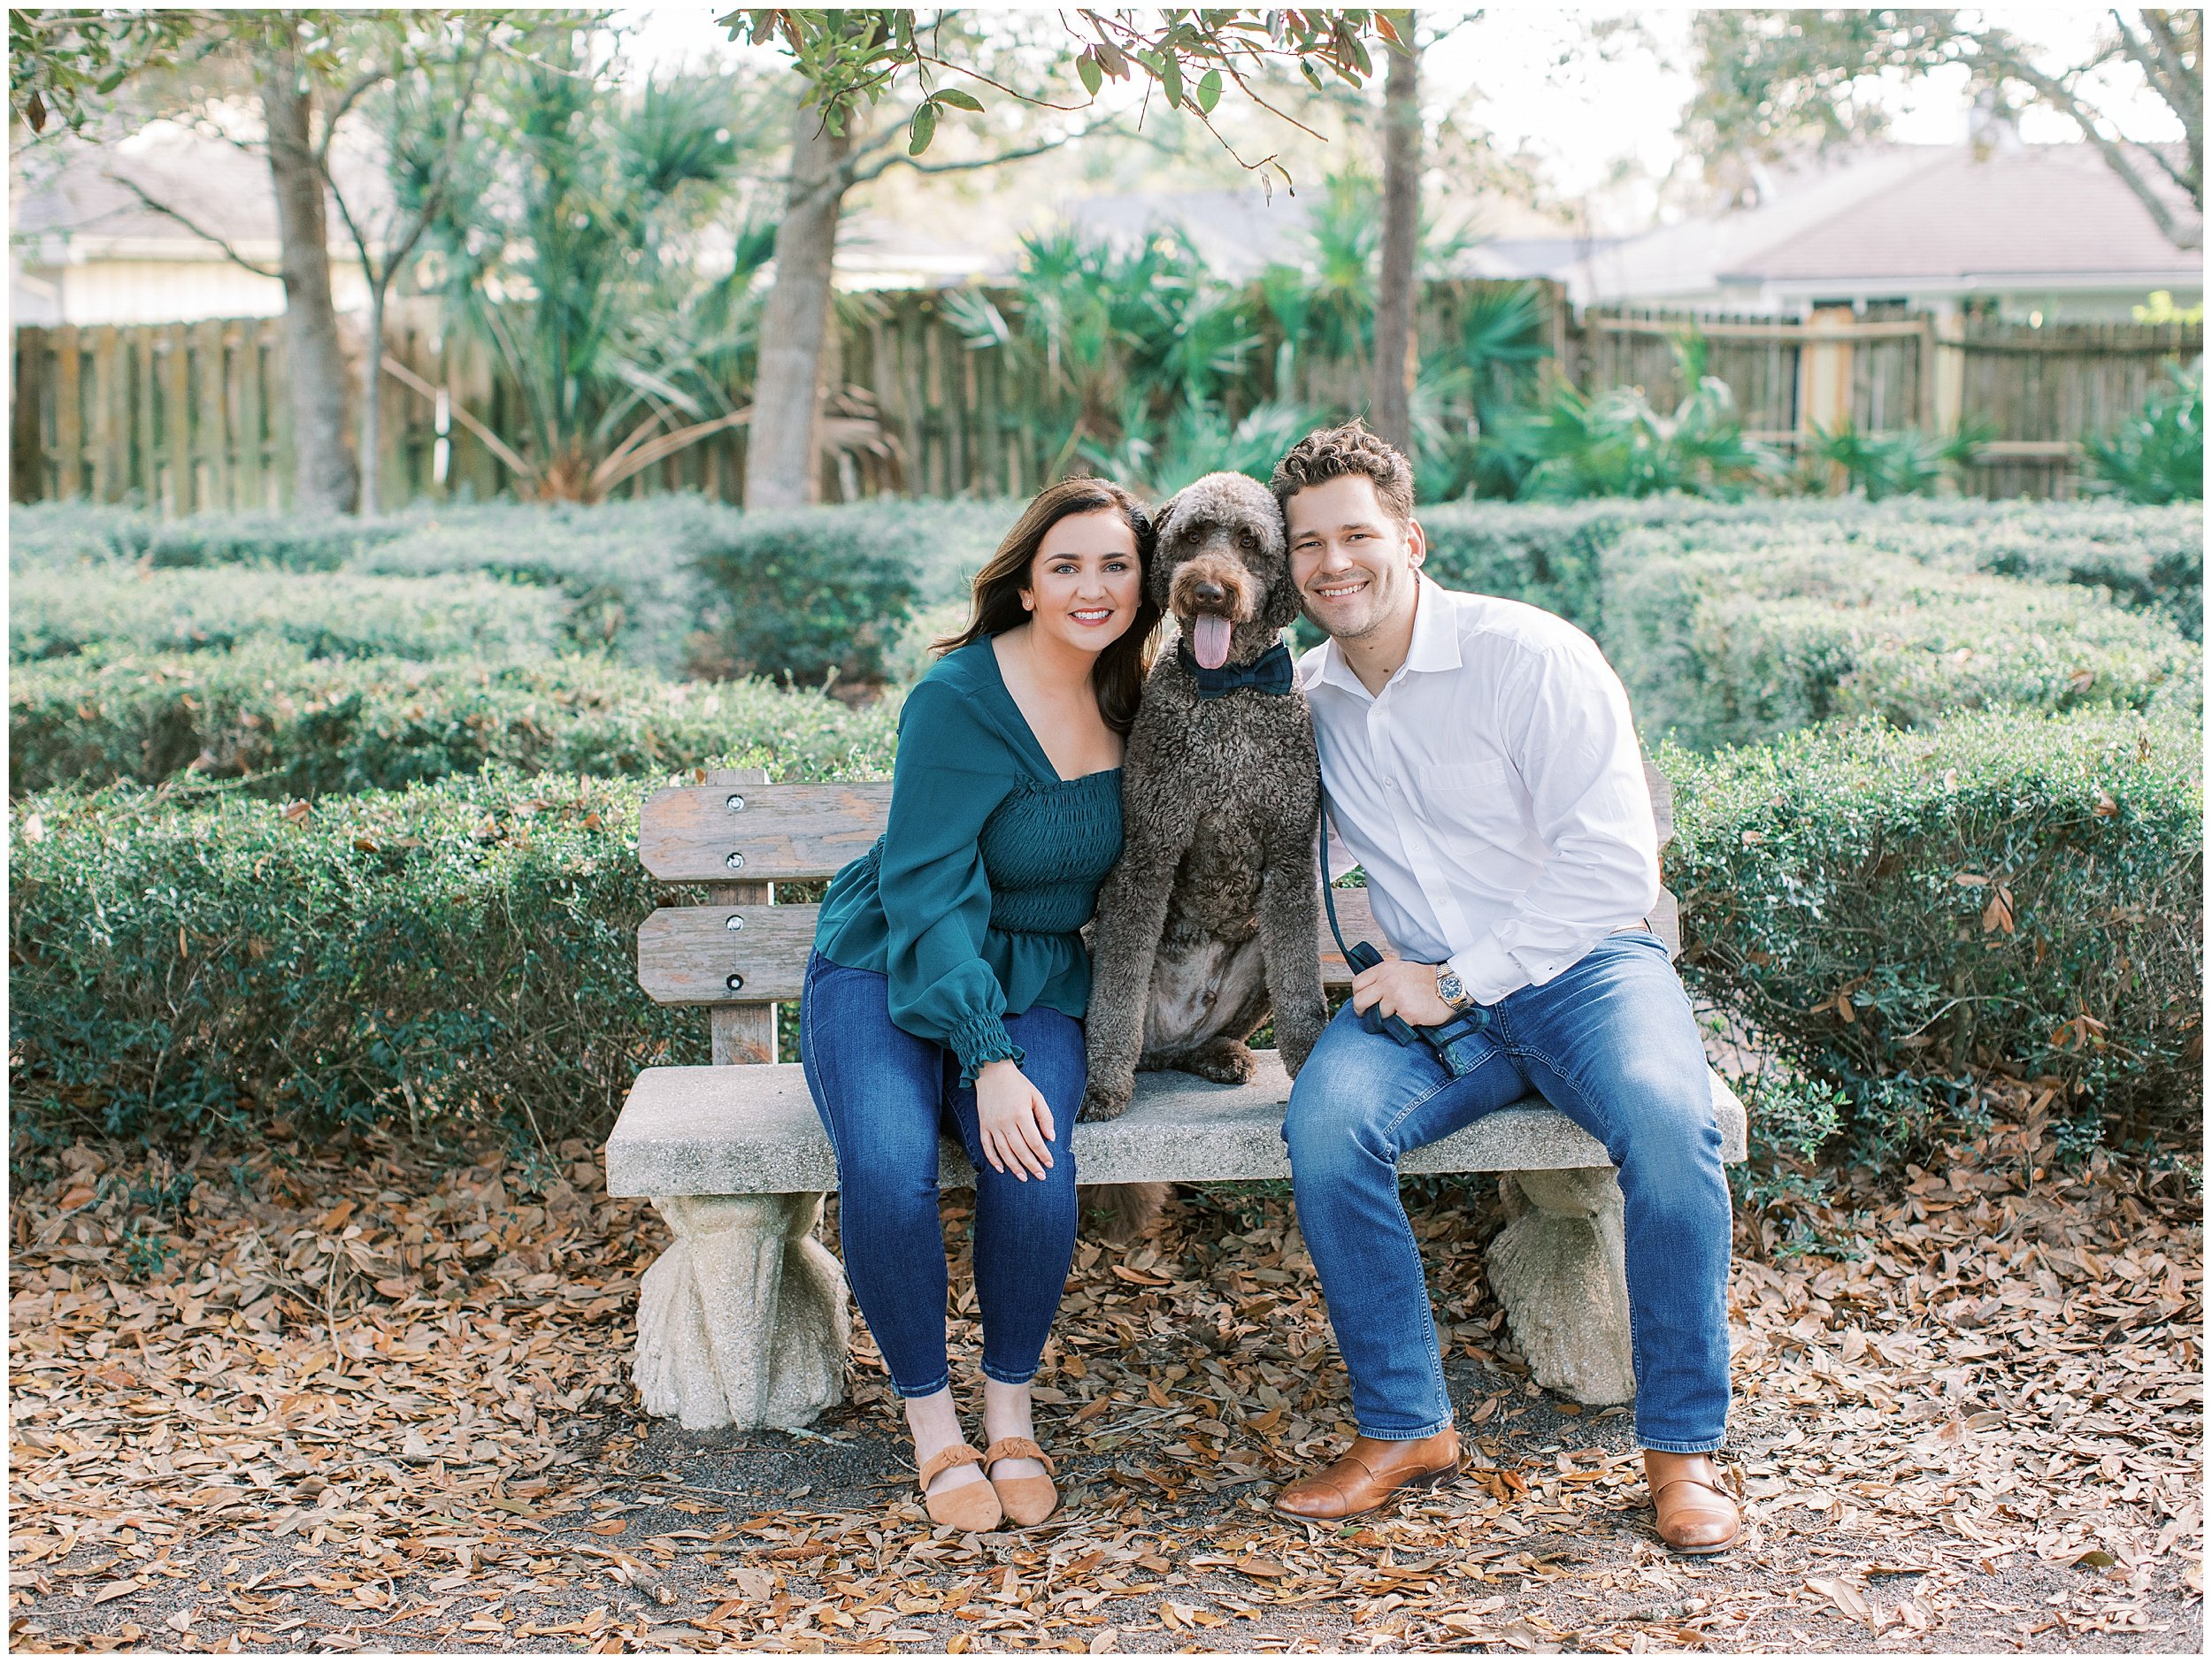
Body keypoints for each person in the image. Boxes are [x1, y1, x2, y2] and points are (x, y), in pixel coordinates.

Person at [1267, 424, 1741, 1555]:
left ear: (1411, 539)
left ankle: (1682, 1452)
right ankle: (1404, 1425)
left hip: (1582, 970)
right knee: (1326, 1126)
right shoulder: (1306, 697)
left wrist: (1459, 978)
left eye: (1356, 535)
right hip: (1431, 996)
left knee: (1673, 1131)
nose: (1333, 563)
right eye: (1306, 546)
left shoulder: (1530, 656)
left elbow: (1615, 869)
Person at [799, 478, 1160, 1533]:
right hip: (893, 958)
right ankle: (932, 1426)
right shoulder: (959, 697)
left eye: (1114, 565)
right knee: (888, 1163)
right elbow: (925, 890)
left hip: (1038, 971)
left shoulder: (1141, 702)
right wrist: (985, 1056)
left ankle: (1009, 1410)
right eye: (1065, 566)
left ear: (1146, 581)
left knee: (1035, 1166)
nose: (1091, 587)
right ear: (1028, 582)